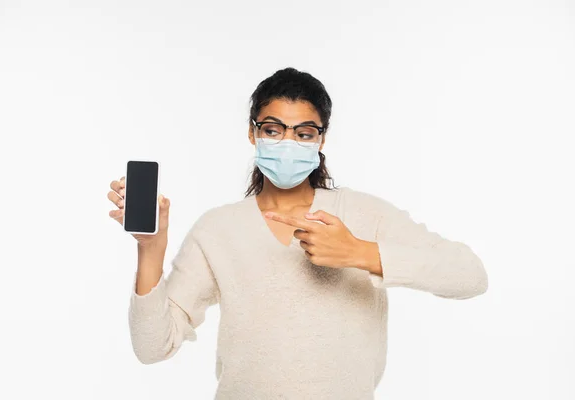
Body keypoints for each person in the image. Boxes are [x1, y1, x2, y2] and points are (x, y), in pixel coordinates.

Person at [107, 67, 488, 399]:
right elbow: (152, 347)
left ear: (321, 139)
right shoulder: (218, 229)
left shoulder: (363, 213)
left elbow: (470, 275)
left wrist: (358, 252)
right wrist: (151, 249)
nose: (287, 143)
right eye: (273, 130)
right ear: (253, 134)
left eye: (304, 133)